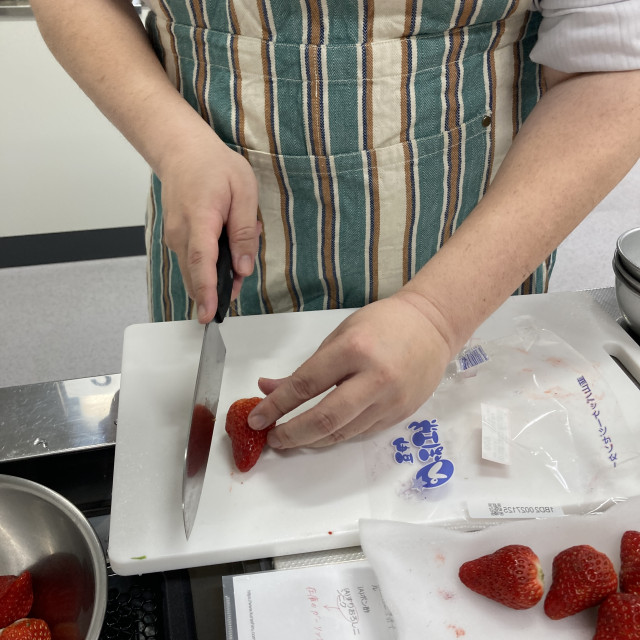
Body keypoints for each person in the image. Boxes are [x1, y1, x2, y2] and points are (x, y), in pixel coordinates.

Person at [31, 0, 640, 451]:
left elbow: (613, 68)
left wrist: (438, 315)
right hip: (215, 236)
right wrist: (174, 142)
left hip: (468, 255)